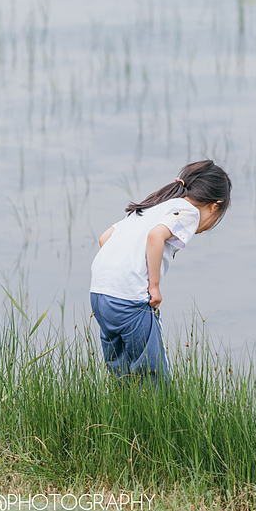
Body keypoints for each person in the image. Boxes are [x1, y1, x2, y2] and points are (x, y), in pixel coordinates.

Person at [89, 160, 231, 380]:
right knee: (152, 377)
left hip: (100, 294)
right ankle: (156, 413)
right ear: (215, 205)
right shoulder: (189, 212)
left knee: (121, 371)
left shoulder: (152, 206)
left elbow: (104, 238)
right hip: (130, 300)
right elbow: (156, 236)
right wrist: (153, 286)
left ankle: (124, 410)